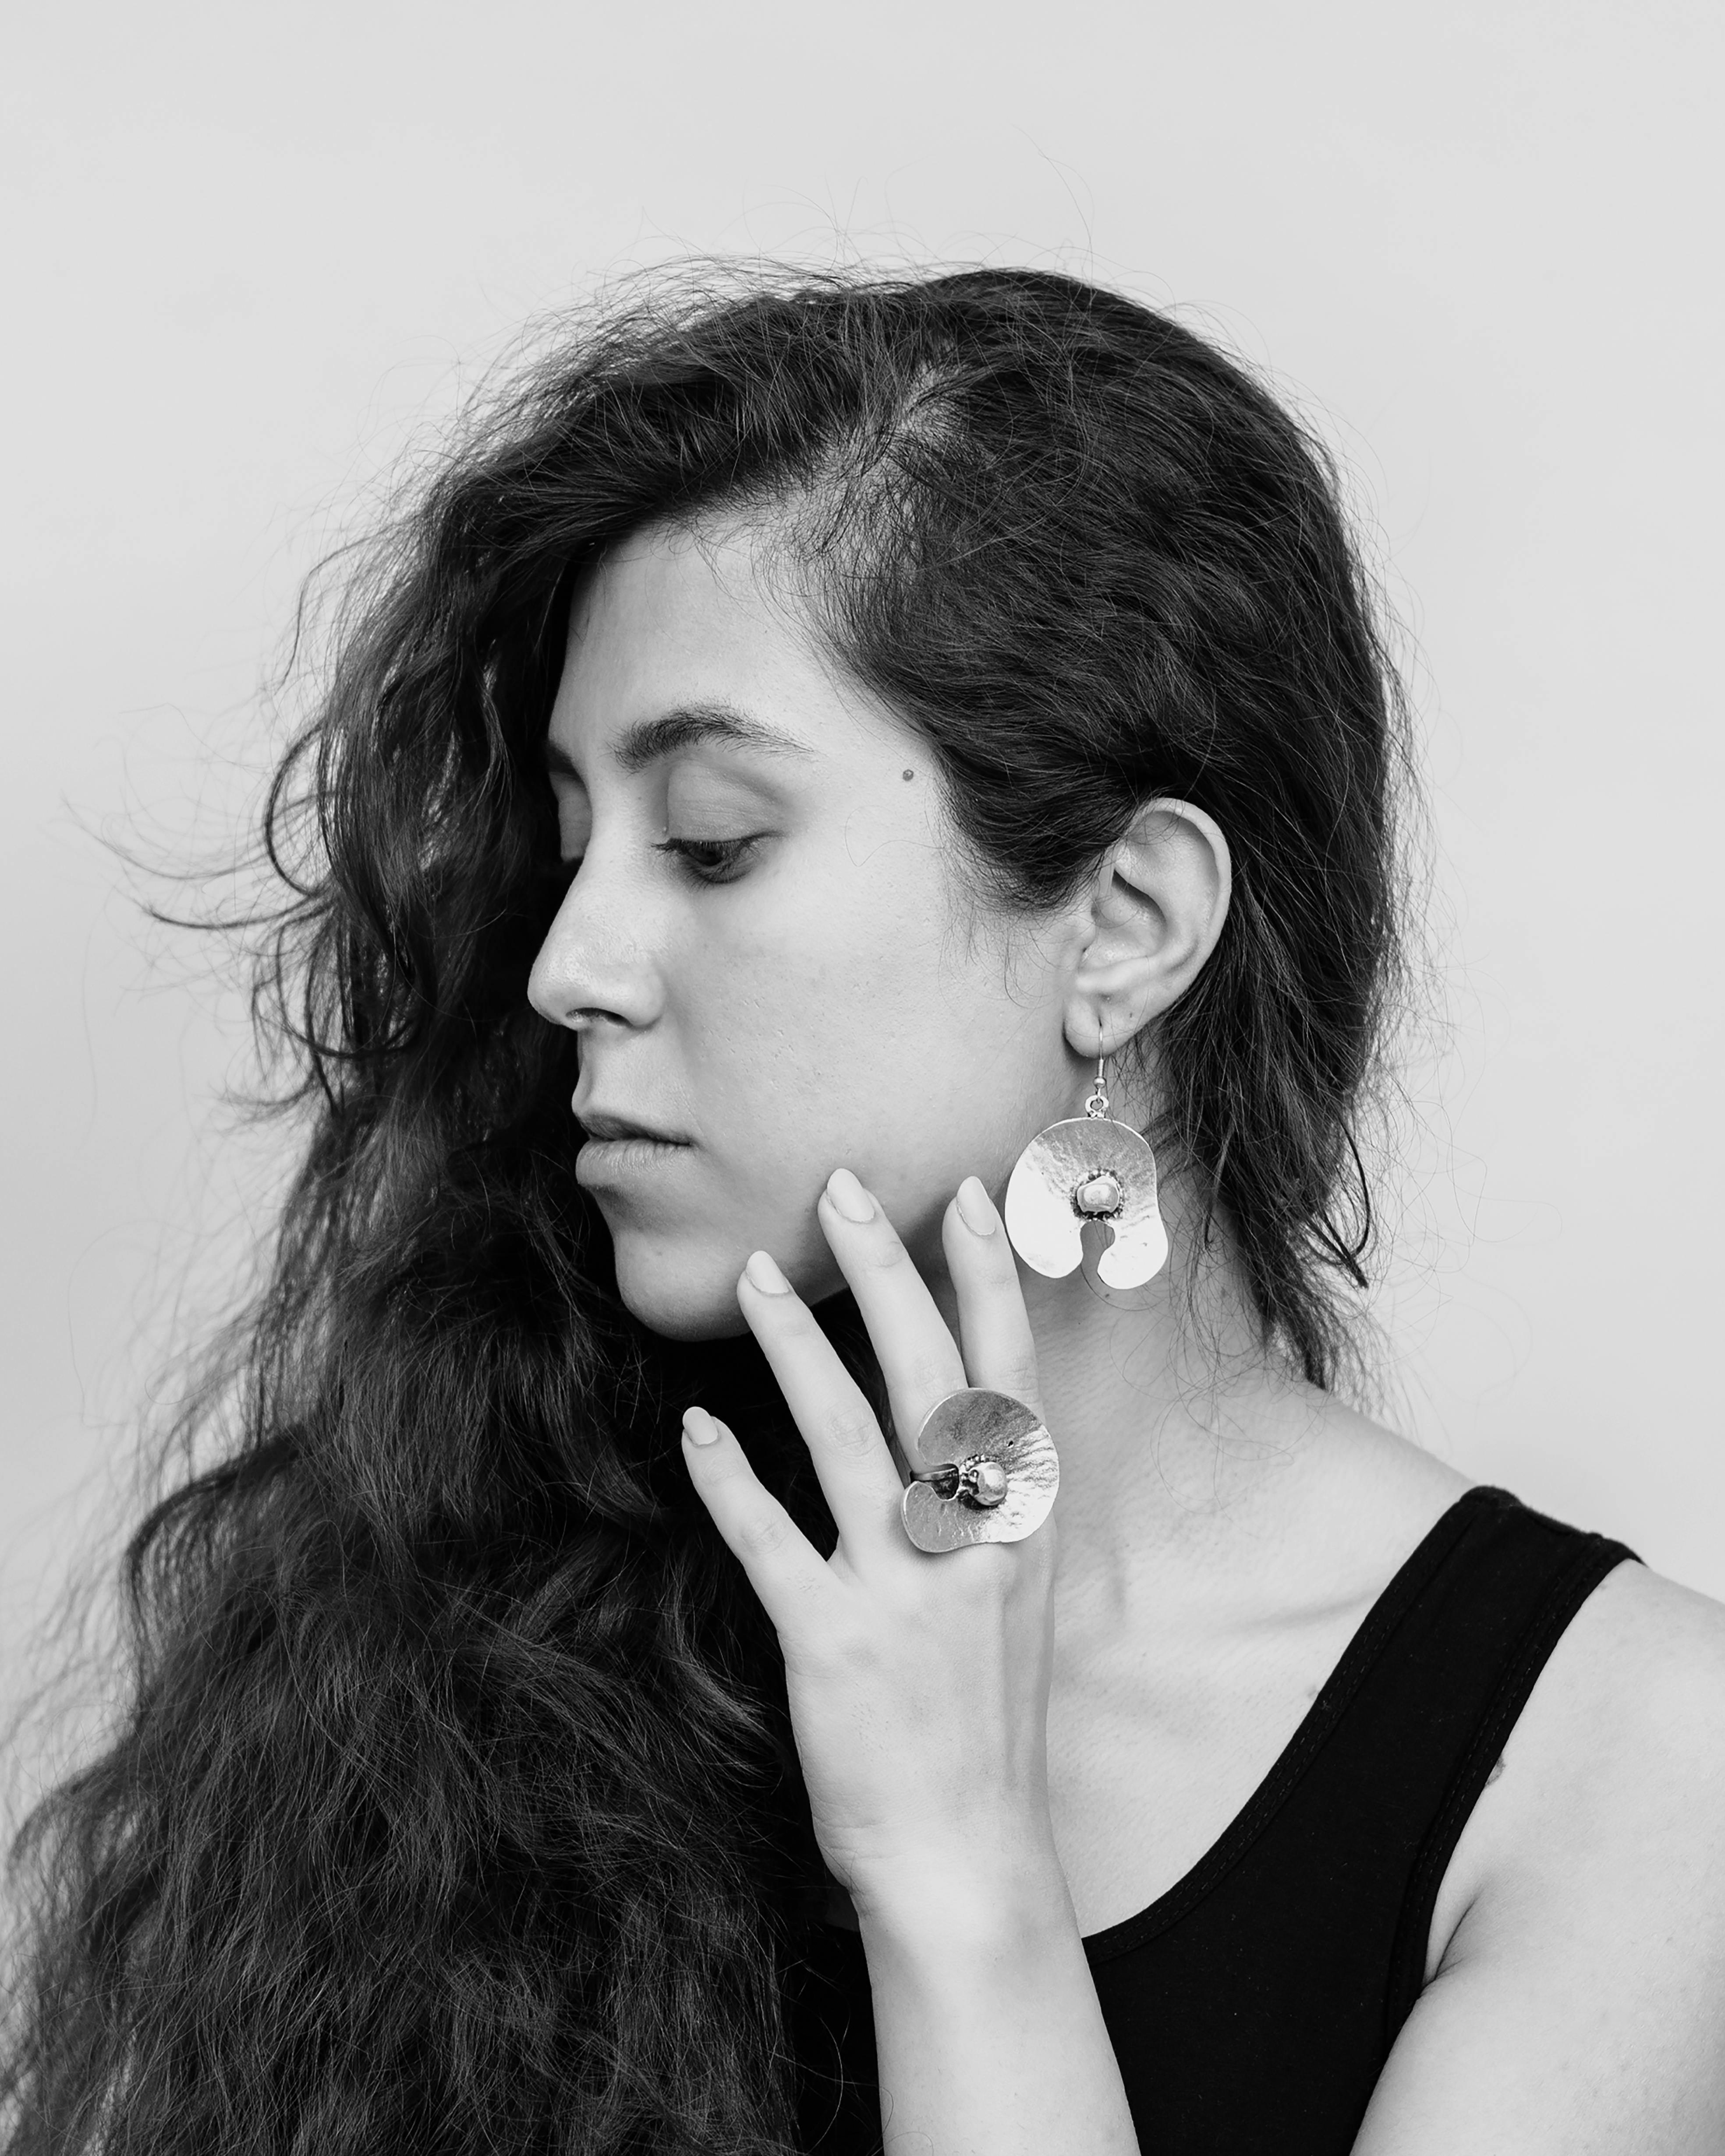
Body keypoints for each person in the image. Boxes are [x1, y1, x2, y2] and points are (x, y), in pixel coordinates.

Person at [4, 264, 1722, 2156]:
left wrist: (960, 1880)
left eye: (712, 841)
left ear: (1126, 925)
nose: (568, 966)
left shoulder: (1631, 1766)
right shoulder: (466, 1627)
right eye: (573, 850)